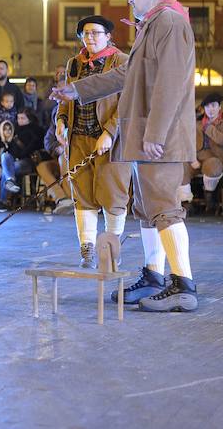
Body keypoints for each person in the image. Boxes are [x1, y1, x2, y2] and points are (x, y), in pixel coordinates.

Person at [52, 0, 198, 312]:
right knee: (147, 209)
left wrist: (155, 133)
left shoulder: (169, 23)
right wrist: (77, 90)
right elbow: (126, 75)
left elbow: (168, 82)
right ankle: (154, 277)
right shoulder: (155, 24)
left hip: (158, 137)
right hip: (146, 135)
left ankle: (183, 285)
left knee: (164, 206)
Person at [55, 15, 132, 268]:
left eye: (96, 33)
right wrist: (61, 121)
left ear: (108, 36)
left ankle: (110, 249)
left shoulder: (121, 61)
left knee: (113, 195)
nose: (90, 38)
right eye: (86, 34)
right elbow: (67, 98)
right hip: (79, 138)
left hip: (112, 141)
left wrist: (110, 132)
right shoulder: (74, 64)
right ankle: (86, 249)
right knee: (83, 195)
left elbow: (127, 103)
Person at [181, 93, 223, 214]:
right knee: (182, 165)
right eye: (207, 106)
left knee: (213, 166)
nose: (211, 109)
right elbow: (188, 143)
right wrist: (192, 158)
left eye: (214, 106)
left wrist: (208, 127)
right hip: (196, 158)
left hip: (215, 158)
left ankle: (210, 200)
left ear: (219, 107)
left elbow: (222, 140)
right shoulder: (196, 124)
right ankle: (186, 202)